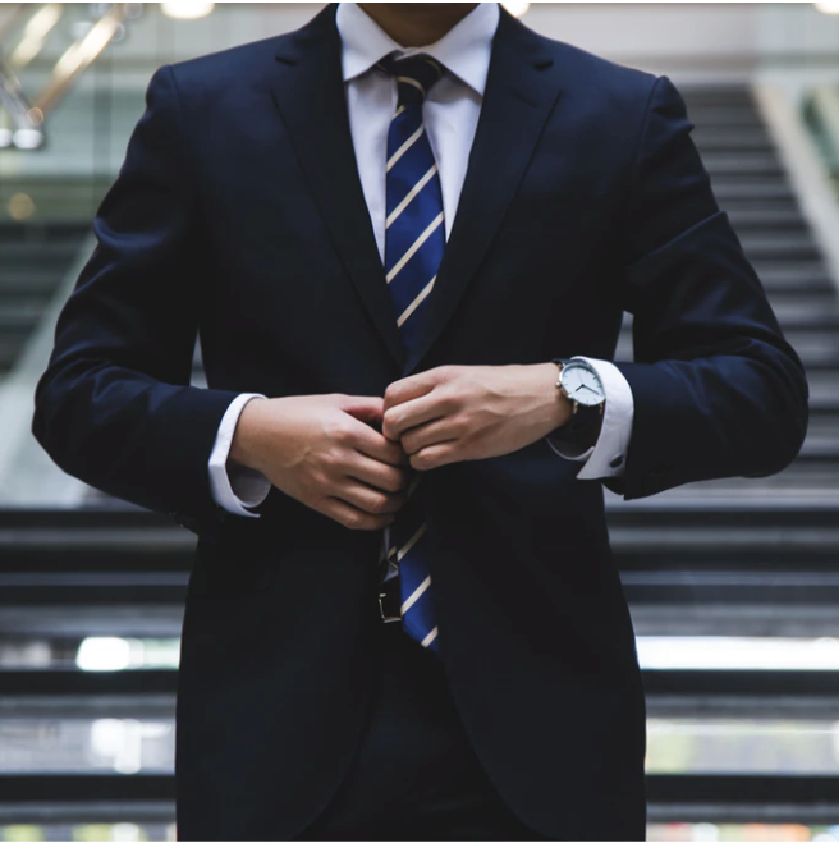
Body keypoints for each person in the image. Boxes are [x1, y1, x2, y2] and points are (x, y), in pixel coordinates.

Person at [32, 3, 808, 841]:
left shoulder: (620, 112)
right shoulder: (204, 106)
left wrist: (566, 392)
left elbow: (759, 390)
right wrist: (249, 433)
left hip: (543, 728)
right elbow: (78, 393)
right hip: (273, 720)